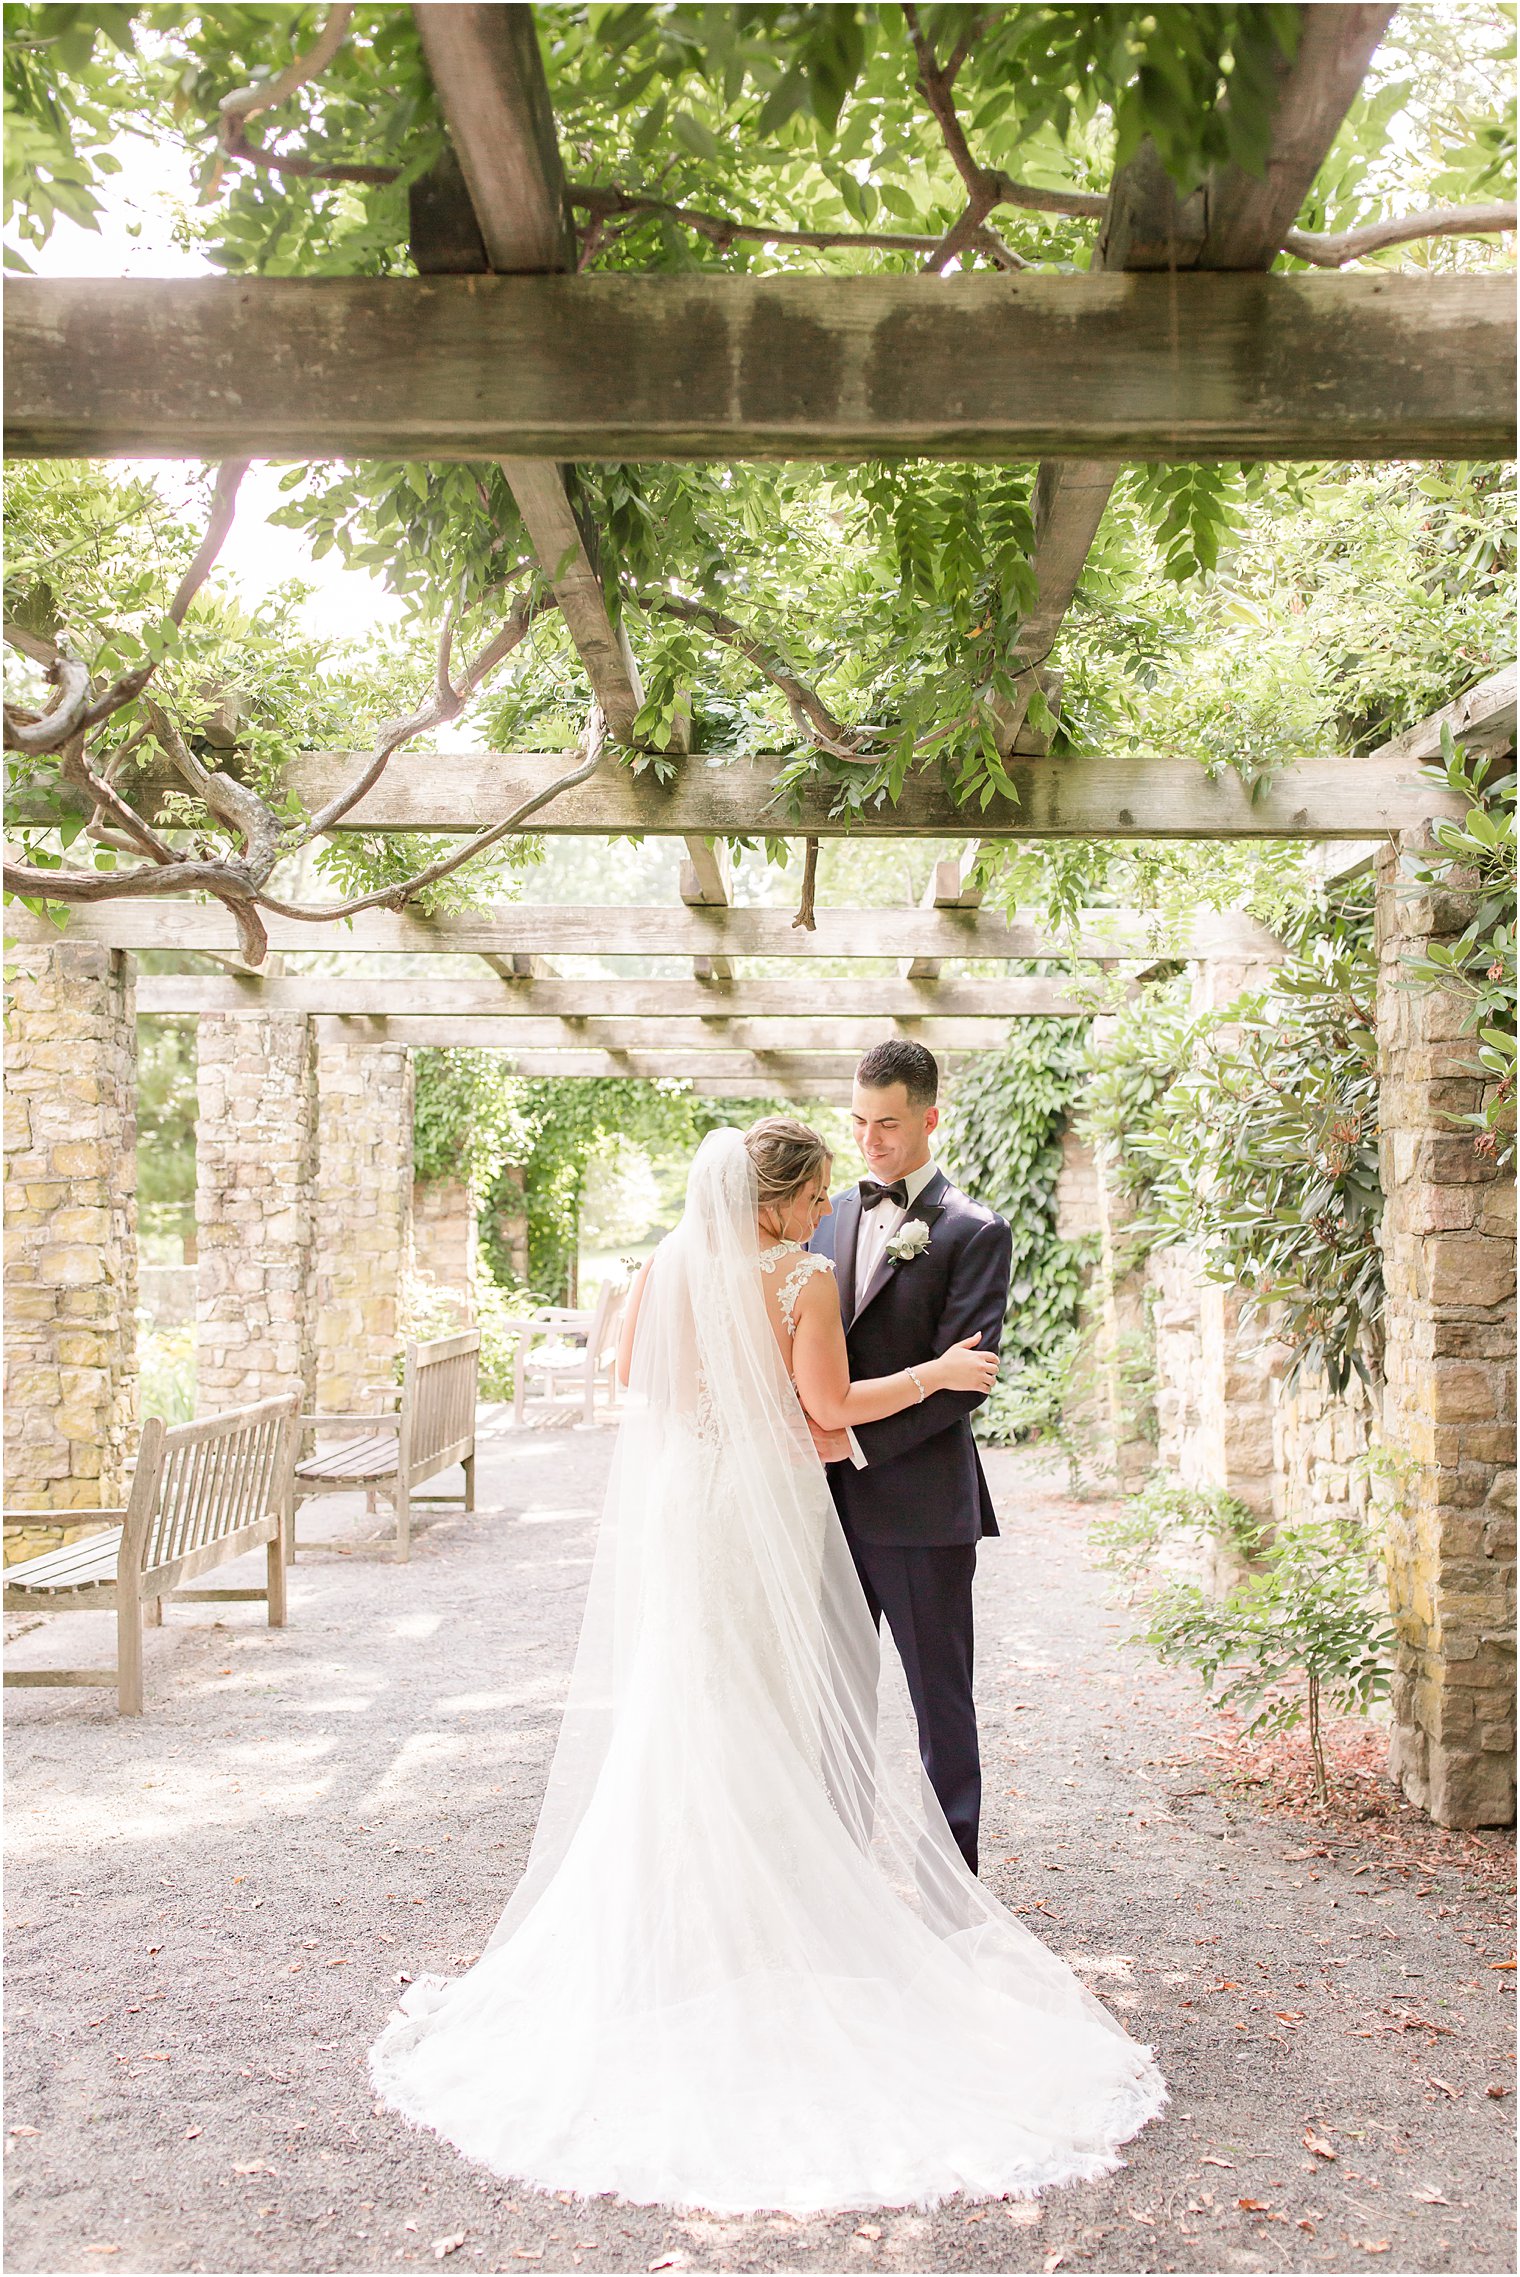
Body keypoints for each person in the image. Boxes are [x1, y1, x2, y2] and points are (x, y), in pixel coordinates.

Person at [369, 1120, 1164, 2215]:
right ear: (783, 1199)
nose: (820, 1210)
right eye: (815, 1193)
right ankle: (778, 1929)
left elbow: (626, 1373)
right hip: (770, 1506)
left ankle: (683, 1938)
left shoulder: (663, 1264)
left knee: (687, 1704)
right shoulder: (804, 1277)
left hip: (689, 1510)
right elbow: (830, 1411)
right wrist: (933, 1368)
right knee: (776, 1708)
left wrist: (714, 1409)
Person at [808, 1040, 1010, 1874]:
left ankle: (952, 1893)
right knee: (835, 1703)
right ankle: (840, 1883)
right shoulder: (826, 1216)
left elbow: (966, 1385)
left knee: (940, 1707)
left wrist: (850, 1436)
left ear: (930, 1117)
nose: (869, 1139)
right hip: (823, 1509)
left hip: (925, 1511)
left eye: (887, 1123)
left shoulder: (975, 1230)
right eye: (858, 1121)